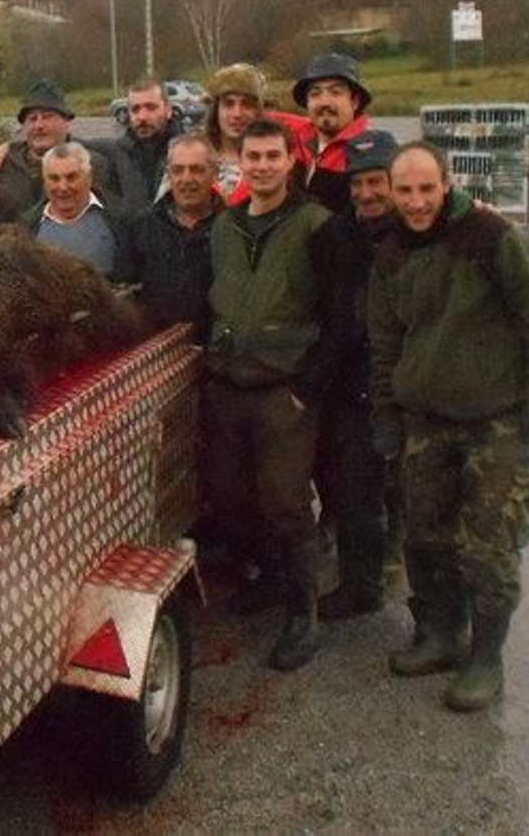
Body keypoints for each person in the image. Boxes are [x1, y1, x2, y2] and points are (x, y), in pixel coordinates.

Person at [369, 141, 529, 712]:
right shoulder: (389, 253)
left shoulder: (489, 238)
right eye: (404, 191)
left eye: (426, 189)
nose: (415, 202)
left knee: (488, 546)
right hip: (424, 422)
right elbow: (384, 345)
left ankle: (487, 658)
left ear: (446, 183)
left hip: (495, 422)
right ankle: (440, 633)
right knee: (425, 535)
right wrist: (386, 415)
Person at [203, 117, 332, 672]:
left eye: (271, 156)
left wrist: (308, 387)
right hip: (230, 384)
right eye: (251, 156)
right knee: (234, 498)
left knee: (285, 503)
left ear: (291, 160)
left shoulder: (316, 225)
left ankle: (304, 615)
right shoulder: (225, 226)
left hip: (285, 390)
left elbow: (340, 315)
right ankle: (273, 581)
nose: (261, 166)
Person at [311, 128, 402, 620]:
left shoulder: (417, 233)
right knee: (355, 494)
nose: (366, 194)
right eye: (357, 184)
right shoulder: (333, 236)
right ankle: (361, 585)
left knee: (414, 497)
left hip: (407, 385)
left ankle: (415, 584)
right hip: (350, 385)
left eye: (376, 182)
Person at [120, 134, 224, 331]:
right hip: (157, 348)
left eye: (197, 170)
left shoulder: (233, 229)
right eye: (178, 170)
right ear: (168, 174)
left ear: (215, 173)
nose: (186, 179)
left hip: (216, 351)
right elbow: (126, 291)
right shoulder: (139, 226)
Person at [0, 79, 112, 210]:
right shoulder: (1, 165)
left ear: (67, 122)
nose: (39, 125)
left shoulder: (92, 164)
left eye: (47, 117)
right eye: (32, 118)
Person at [19, 141, 127, 276]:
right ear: (44, 181)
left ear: (89, 177)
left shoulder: (121, 219)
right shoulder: (26, 226)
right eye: (54, 178)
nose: (63, 187)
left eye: (71, 177)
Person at [289, 51, 374, 214]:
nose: (324, 102)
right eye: (315, 94)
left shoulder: (369, 152)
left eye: (335, 92)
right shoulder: (294, 142)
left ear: (355, 102)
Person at [98, 78, 180, 209]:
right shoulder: (119, 154)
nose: (142, 117)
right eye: (135, 109)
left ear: (168, 110)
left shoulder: (189, 153)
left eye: (151, 107)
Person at [201, 63, 268, 204]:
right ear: (216, 110)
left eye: (247, 104)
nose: (237, 114)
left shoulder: (271, 163)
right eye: (228, 104)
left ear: (258, 111)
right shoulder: (193, 158)